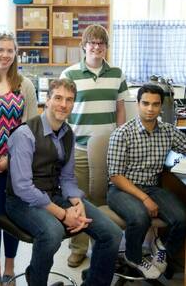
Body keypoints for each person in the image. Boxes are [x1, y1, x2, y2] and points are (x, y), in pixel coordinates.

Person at [6, 78, 122, 286]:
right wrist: (62, 214)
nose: (63, 104)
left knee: (111, 234)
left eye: (69, 100)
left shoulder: (68, 133)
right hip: (21, 202)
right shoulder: (25, 134)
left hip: (55, 195)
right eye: (58, 98)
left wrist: (77, 203)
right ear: (47, 100)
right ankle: (37, 279)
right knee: (53, 232)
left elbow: (67, 178)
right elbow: (22, 188)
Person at [60, 24, 128, 267]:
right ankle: (77, 247)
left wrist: (119, 139)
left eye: (102, 43)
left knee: (100, 201)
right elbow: (62, 111)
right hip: (77, 148)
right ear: (84, 46)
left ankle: (101, 246)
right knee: (77, 200)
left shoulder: (117, 74)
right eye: (92, 42)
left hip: (106, 153)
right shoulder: (69, 74)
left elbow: (120, 109)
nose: (97, 47)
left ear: (106, 47)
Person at [107, 84, 186, 279]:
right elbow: (115, 175)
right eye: (145, 103)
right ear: (138, 104)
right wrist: (144, 198)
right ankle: (132, 257)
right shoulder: (122, 133)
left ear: (161, 107)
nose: (150, 109)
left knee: (181, 219)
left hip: (152, 187)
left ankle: (162, 250)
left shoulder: (168, 131)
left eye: (155, 104)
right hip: (121, 189)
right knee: (140, 218)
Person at [0, 31, 38, 285]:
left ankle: (10, 267)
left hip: (16, 164)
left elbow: (30, 127)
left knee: (12, 215)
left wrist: (10, 157)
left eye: (9, 50)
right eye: (0, 49)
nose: (5, 55)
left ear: (16, 54)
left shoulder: (24, 85)